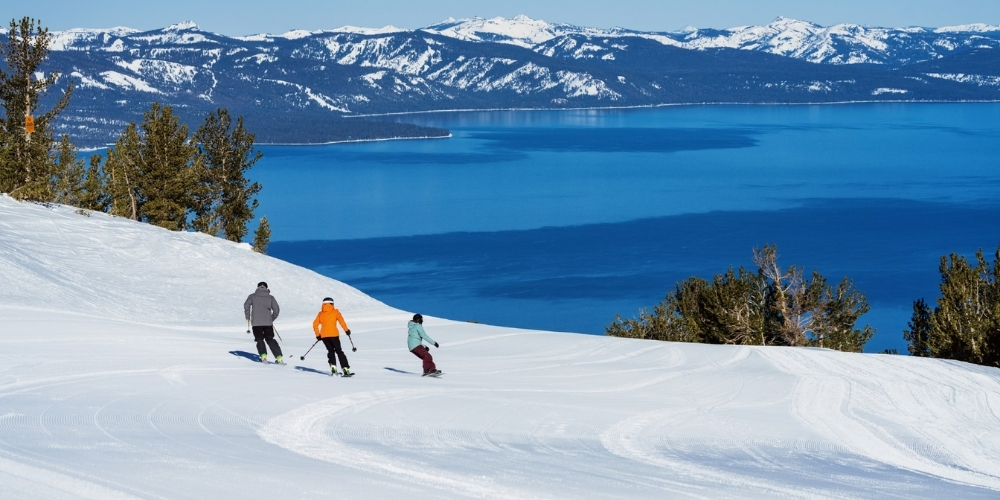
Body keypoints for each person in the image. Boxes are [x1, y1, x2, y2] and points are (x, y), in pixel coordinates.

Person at [312, 297, 353, 377]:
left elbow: (315, 324)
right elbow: (341, 321)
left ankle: (333, 368)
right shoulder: (335, 312)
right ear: (331, 304)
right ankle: (345, 369)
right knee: (339, 351)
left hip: (324, 336)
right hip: (334, 335)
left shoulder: (320, 314)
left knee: (330, 351)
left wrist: (318, 335)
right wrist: (346, 330)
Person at [244, 282, 283, 364]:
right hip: (268, 323)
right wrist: (271, 319)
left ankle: (264, 357)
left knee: (259, 340)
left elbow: (246, 305)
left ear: (257, 287)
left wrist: (248, 316)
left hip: (256, 323)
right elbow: (276, 310)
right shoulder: (270, 297)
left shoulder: (252, 296)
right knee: (270, 340)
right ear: (266, 288)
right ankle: (279, 358)